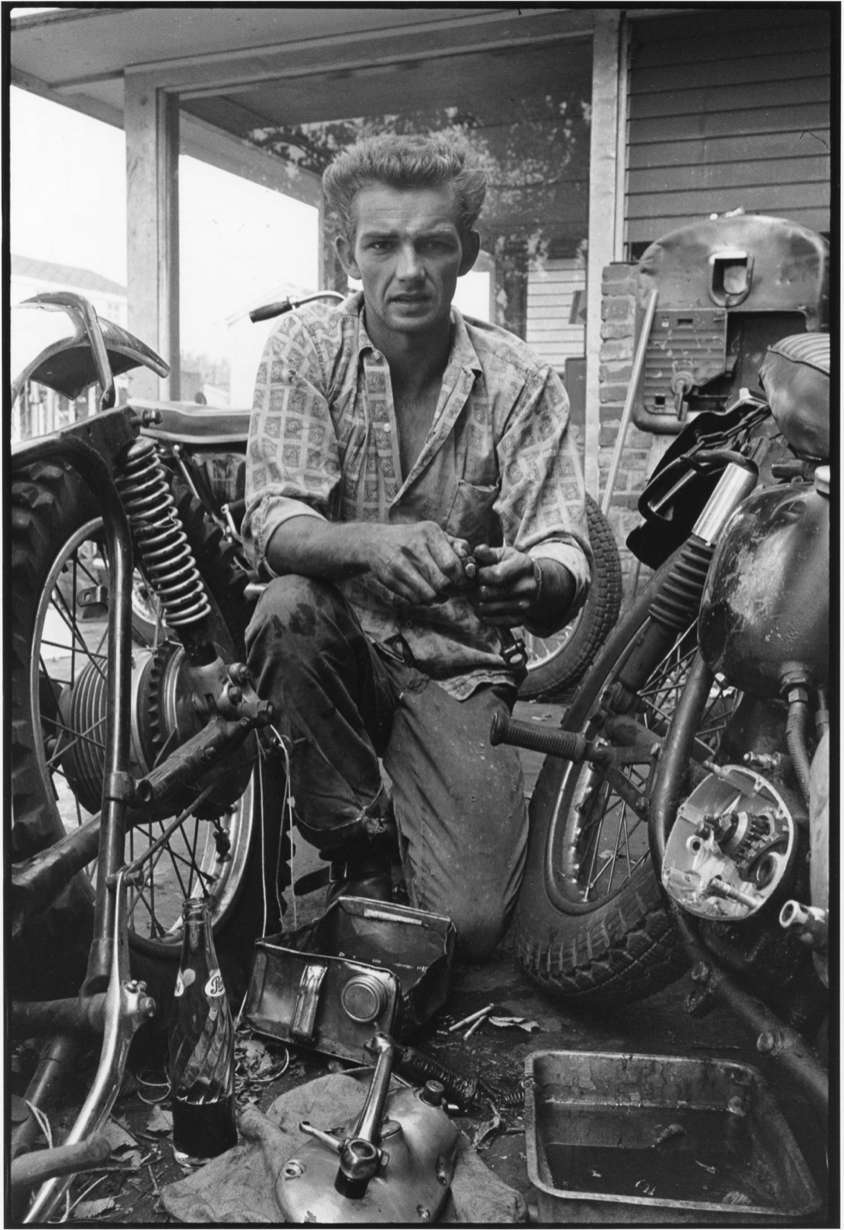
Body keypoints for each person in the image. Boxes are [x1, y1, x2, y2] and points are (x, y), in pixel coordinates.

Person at [242, 133, 590, 960]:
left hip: (454, 669)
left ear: (465, 250)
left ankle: (415, 813)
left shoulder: (522, 380)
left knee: (472, 924)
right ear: (348, 255)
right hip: (338, 650)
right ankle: (361, 847)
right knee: (285, 610)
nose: (409, 271)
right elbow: (275, 521)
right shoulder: (305, 349)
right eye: (382, 245)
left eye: (433, 244)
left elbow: (565, 549)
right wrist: (371, 545)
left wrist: (535, 579)